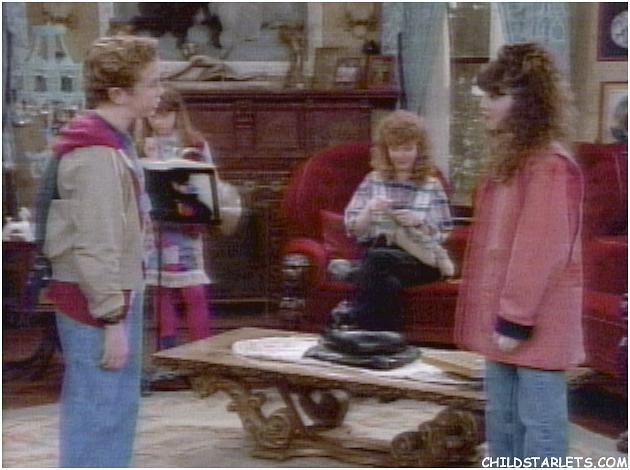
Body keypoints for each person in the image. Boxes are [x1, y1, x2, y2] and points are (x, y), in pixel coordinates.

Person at [454, 43, 583, 461]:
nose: (484, 105)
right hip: (504, 319)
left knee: (539, 424)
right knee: (503, 419)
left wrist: (515, 318)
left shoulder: (548, 164)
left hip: (533, 319)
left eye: (497, 95)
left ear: (527, 102)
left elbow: (540, 249)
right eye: (485, 95)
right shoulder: (512, 159)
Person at [42, 35, 162, 467]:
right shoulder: (96, 153)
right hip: (96, 299)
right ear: (117, 93)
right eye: (151, 83)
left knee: (113, 404)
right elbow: (96, 243)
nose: (159, 92)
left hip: (111, 291)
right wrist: (111, 317)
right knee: (101, 407)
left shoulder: (113, 143)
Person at [344, 110, 454, 332]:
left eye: (407, 149)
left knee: (373, 261)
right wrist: (369, 209)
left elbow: (443, 233)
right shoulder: (373, 181)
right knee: (386, 281)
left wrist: (417, 223)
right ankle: (388, 338)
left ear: (419, 150)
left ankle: (357, 326)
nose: (401, 156)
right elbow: (353, 228)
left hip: (421, 260)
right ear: (386, 151)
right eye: (395, 149)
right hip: (381, 254)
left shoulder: (431, 185)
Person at [137, 87, 213, 351]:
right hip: (155, 227)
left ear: (177, 113)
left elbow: (207, 183)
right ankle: (166, 349)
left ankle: (202, 351)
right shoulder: (141, 144)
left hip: (185, 227)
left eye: (164, 115)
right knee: (161, 291)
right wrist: (147, 159)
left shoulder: (195, 144)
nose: (158, 122)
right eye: (153, 116)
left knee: (193, 289)